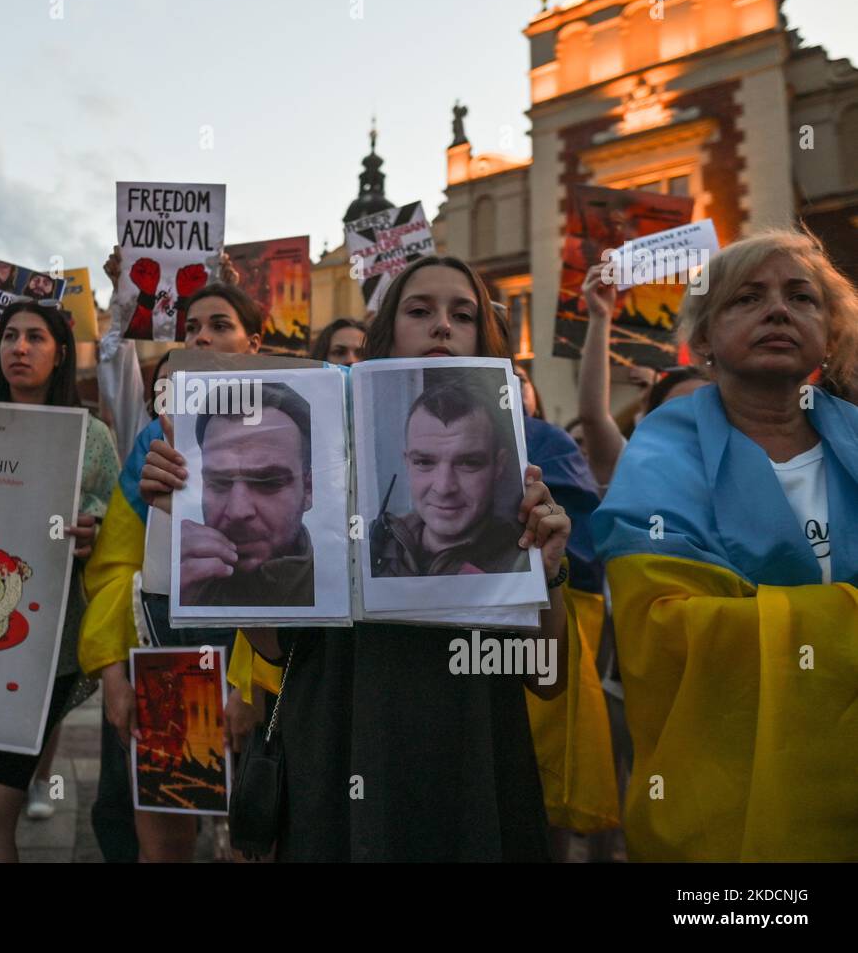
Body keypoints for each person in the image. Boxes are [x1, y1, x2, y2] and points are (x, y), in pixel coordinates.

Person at [145, 255, 573, 860]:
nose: (442, 326)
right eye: (420, 310)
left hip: (472, 757)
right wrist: (185, 506)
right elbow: (274, 650)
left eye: (463, 313)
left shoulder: (519, 488)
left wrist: (551, 567)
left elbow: (547, 679)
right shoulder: (315, 452)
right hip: (339, 742)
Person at [591, 229, 858, 860]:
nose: (777, 310)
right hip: (724, 811)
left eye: (802, 297)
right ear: (703, 338)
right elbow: (660, 628)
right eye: (747, 298)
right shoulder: (661, 456)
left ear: (830, 334)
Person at [81, 280, 264, 862]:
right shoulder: (151, 443)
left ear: (254, 344)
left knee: (257, 837)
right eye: (191, 328)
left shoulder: (298, 433)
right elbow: (116, 567)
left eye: (219, 324)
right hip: (174, 667)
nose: (202, 336)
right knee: (167, 841)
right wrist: (113, 671)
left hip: (267, 670)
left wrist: (248, 684)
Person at [0, 300, 119, 862]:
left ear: (59, 353)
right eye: (9, 336)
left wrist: (94, 537)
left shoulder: (92, 438)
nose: (19, 347)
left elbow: (118, 541)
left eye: (35, 337)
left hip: (38, 650)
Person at [370, 371, 530, 578]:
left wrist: (550, 579)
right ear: (407, 462)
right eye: (424, 462)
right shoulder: (373, 545)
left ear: (498, 466)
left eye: (469, 463)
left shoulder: (526, 557)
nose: (444, 487)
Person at [180, 382, 314, 607]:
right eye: (219, 482)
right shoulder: (179, 581)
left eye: (269, 483)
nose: (237, 511)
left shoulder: (347, 591)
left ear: (308, 490)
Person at [576, 263, 706, 486]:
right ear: (650, 418)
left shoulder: (745, 469)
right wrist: (600, 317)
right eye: (676, 409)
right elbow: (593, 417)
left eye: (702, 407)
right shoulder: (634, 465)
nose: (689, 417)